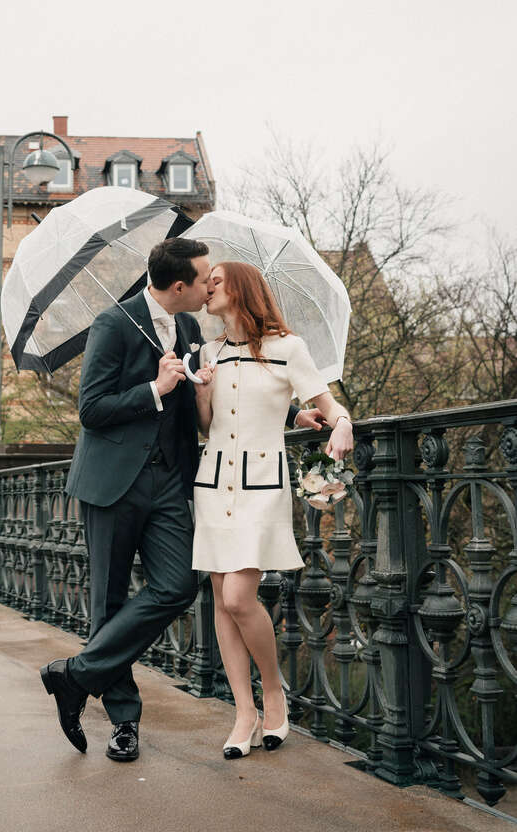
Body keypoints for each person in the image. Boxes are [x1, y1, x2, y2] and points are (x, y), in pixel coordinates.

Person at [40, 240, 324, 763]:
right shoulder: (113, 323)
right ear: (180, 287)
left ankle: (75, 676)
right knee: (108, 601)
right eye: (203, 281)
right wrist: (153, 387)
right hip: (112, 483)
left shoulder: (192, 329)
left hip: (174, 483)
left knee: (177, 586)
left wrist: (291, 415)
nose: (209, 286)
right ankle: (124, 722)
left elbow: (232, 395)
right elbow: (92, 409)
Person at [191, 261, 353, 760]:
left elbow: (326, 402)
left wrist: (341, 423)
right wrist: (200, 390)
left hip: (262, 485)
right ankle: (244, 712)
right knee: (220, 599)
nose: (207, 289)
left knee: (240, 597)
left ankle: (274, 690)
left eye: (215, 281)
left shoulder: (288, 348)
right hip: (214, 483)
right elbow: (205, 426)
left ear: (241, 288)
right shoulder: (207, 351)